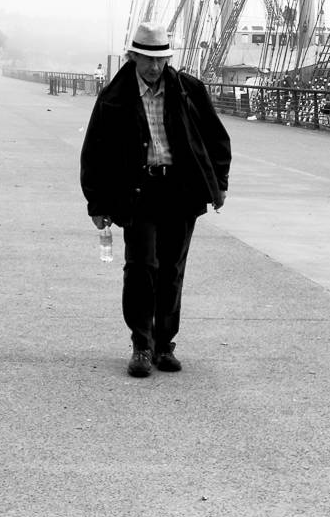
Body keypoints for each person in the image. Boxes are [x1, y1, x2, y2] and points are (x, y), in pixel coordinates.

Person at [80, 22, 231, 378]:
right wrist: (97, 204)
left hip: (180, 190)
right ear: (132, 57)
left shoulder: (189, 90)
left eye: (160, 59)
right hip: (137, 192)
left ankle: (165, 344)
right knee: (141, 267)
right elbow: (94, 154)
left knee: (172, 270)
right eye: (147, 59)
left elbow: (216, 138)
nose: (154, 67)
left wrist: (218, 184)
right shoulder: (114, 97)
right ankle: (141, 345)